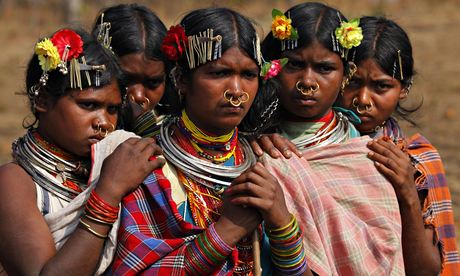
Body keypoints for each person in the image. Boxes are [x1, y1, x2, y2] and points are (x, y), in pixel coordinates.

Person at [109, 7, 310, 275]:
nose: (237, 92)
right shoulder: (145, 164)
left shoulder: (268, 160)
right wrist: (227, 230)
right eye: (218, 73)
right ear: (181, 79)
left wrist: (281, 221)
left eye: (249, 75)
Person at [0, 28, 163, 275]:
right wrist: (107, 193)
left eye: (112, 109)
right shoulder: (14, 182)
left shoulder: (119, 163)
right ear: (42, 100)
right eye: (89, 105)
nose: (104, 122)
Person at [338, 16, 459, 275]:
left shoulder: (418, 162)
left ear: (404, 89)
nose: (363, 100)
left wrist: (407, 191)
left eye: (381, 86)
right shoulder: (313, 148)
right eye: (353, 82)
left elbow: (429, 269)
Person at [258, 2, 361, 151]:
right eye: (294, 64)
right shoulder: (249, 140)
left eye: (325, 68)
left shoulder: (359, 147)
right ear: (271, 67)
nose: (307, 82)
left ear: (346, 75)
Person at [92, 3, 179, 137]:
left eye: (153, 82)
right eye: (126, 80)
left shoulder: (179, 134)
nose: (138, 96)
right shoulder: (75, 133)